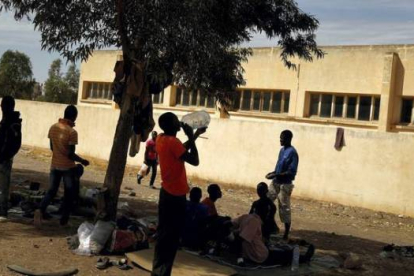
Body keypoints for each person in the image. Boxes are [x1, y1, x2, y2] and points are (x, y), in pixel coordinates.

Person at [152, 112, 206, 276]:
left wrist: (195, 135)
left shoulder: (161, 138)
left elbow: (180, 150)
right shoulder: (173, 142)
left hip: (166, 193)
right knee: (172, 237)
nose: (180, 123)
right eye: (177, 121)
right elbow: (195, 160)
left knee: (164, 234)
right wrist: (191, 134)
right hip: (175, 196)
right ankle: (162, 272)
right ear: (172, 126)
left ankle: (158, 270)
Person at [35, 105, 89, 226]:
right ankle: (64, 220)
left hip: (54, 165)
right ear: (74, 117)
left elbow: (51, 147)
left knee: (51, 191)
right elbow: (71, 154)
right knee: (69, 193)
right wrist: (82, 161)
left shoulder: (53, 127)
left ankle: (40, 210)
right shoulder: (72, 132)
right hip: (67, 167)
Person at [231, 209, 314, 266]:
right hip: (258, 255)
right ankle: (305, 258)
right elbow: (240, 239)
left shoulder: (246, 217)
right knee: (285, 256)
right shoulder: (254, 222)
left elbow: (231, 223)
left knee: (280, 252)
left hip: (253, 252)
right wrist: (240, 259)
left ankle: (295, 255)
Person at [266, 130, 299, 240]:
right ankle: (270, 226)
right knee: (266, 202)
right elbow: (278, 167)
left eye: (282, 138)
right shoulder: (282, 150)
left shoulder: (293, 153)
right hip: (275, 182)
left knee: (284, 208)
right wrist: (272, 173)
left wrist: (278, 174)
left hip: (285, 184)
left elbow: (291, 172)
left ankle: (286, 233)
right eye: (280, 138)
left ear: (289, 139)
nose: (280, 140)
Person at [0, 96, 22, 221]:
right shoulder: (6, 121)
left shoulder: (13, 123)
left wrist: (5, 156)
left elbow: (15, 145)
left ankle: (3, 212)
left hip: (4, 160)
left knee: (3, 187)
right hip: (3, 158)